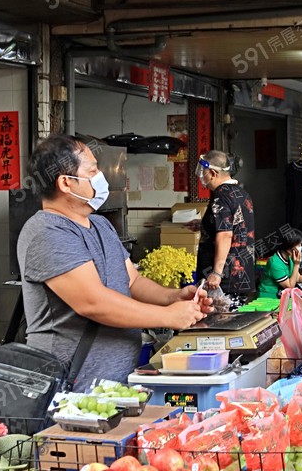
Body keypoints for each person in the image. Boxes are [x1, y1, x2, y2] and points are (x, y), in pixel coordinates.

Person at [16, 135, 212, 387]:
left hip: (114, 385)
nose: (101, 177)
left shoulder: (100, 225)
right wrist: (168, 317)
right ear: (66, 183)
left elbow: (132, 280)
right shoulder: (47, 232)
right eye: (93, 170)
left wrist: (174, 298)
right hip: (69, 392)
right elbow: (93, 303)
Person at [195, 151, 255, 305]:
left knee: (219, 324)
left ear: (213, 173)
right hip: (241, 274)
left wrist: (216, 273)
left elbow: (225, 235)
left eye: (203, 173)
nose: (202, 177)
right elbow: (236, 226)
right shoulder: (242, 193)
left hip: (225, 279)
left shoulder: (220, 195)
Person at [256, 229, 302, 298]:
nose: (300, 247)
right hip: (268, 298)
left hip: (280, 297)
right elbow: (290, 286)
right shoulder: (275, 263)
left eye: (301, 244)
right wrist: (296, 264)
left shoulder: (290, 258)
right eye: (298, 245)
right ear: (289, 247)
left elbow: (298, 278)